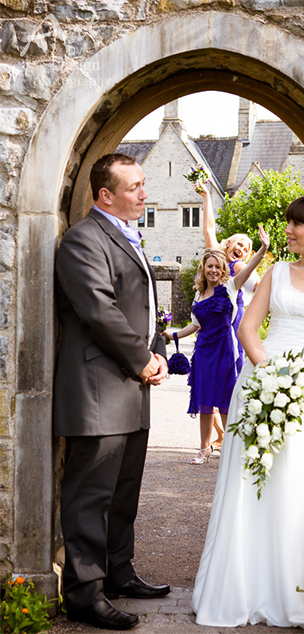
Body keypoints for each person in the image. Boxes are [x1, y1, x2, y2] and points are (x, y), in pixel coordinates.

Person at [192, 193, 304, 627]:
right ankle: (239, 587)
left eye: (295, 224)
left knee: (297, 484)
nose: (287, 230)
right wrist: (270, 375)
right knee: (249, 484)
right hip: (261, 384)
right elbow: (247, 327)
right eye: (287, 223)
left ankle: (289, 588)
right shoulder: (276, 273)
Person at [54, 153, 172, 630]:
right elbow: (100, 310)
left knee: (123, 494)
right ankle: (84, 595)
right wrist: (143, 359)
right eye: (135, 187)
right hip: (97, 391)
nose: (144, 194)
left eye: (144, 185)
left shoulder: (128, 236)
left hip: (131, 388)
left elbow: (143, 305)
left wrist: (158, 347)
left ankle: (119, 574)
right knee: (90, 497)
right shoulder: (82, 240)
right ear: (105, 195)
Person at [164, 231, 269, 465]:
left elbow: (250, 267)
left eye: (217, 267)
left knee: (225, 401)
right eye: (209, 266)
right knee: (204, 402)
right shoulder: (199, 294)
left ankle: (231, 449)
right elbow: (195, 324)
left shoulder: (231, 287)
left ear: (222, 269)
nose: (213, 270)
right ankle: (204, 449)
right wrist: (173, 335)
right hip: (202, 352)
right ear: (204, 269)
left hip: (224, 351)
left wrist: (263, 249)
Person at [195, 180, 260, 448]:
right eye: (239, 244)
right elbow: (209, 228)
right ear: (228, 243)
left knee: (230, 382)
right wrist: (207, 195)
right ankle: (219, 436)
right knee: (211, 381)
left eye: (247, 248)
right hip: (213, 323)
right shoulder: (217, 261)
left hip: (235, 325)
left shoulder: (242, 269)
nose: (242, 249)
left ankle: (229, 436)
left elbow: (259, 286)